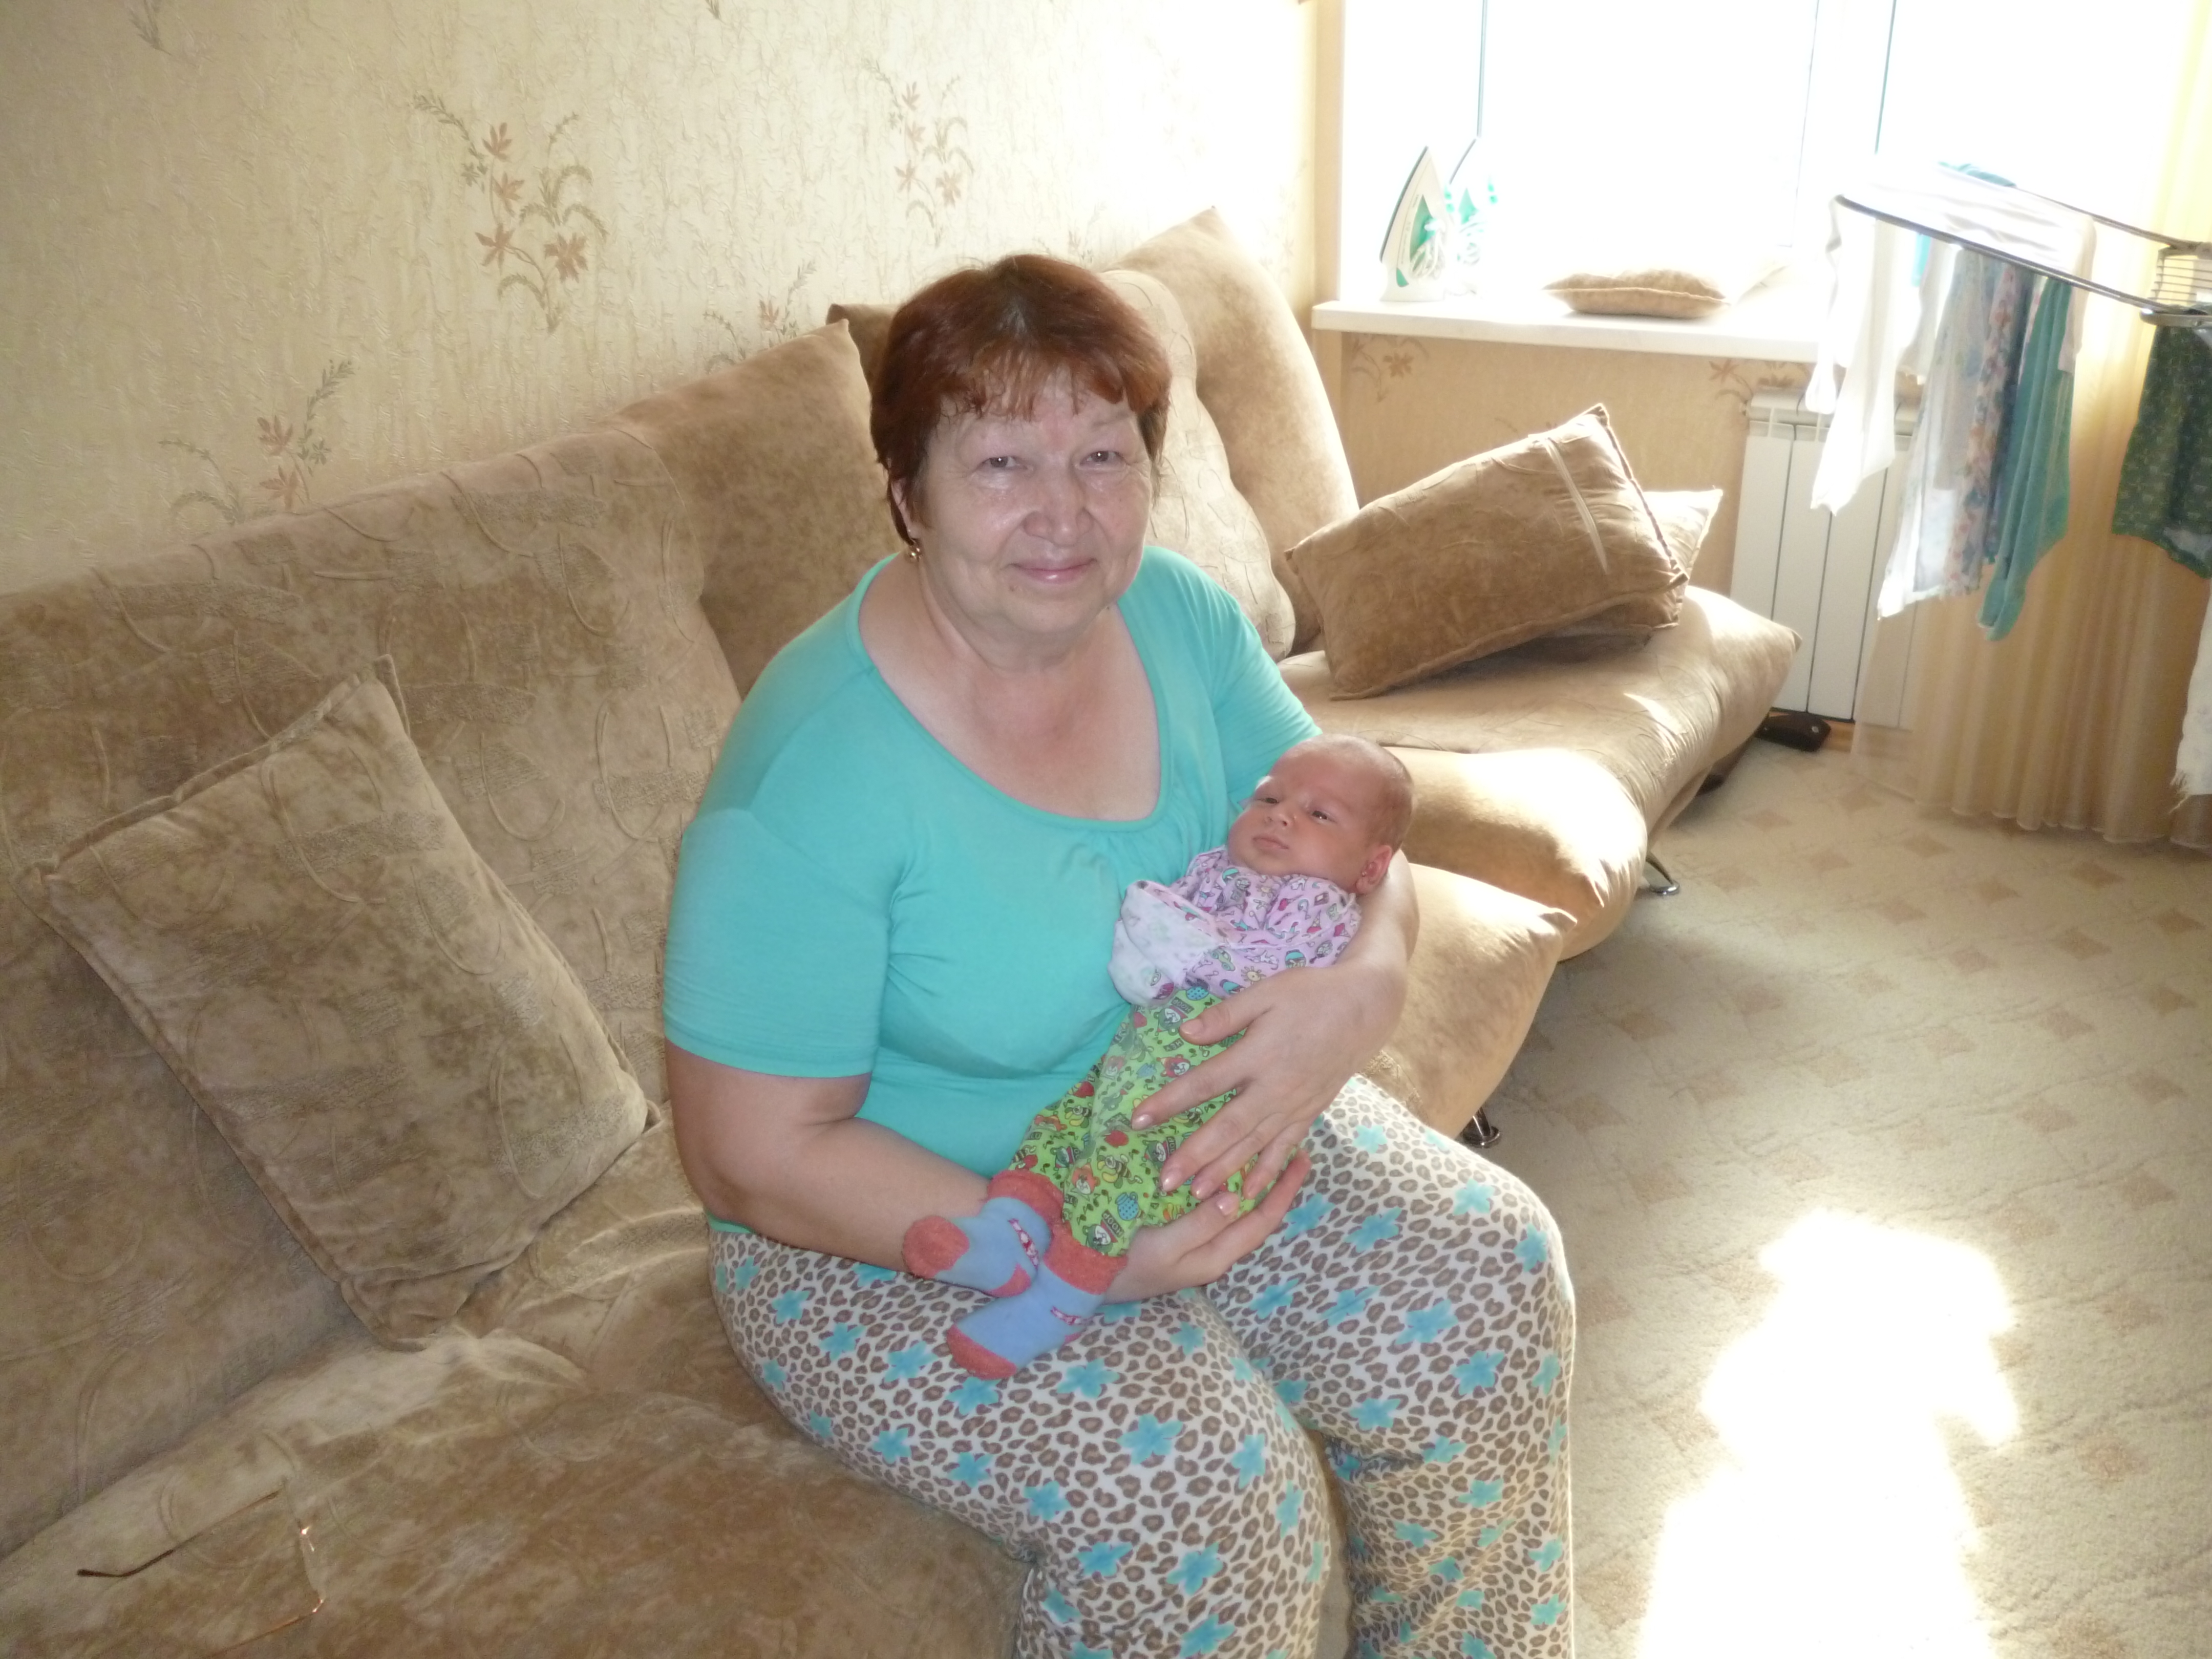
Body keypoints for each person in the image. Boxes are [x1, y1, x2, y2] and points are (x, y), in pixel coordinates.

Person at [663, 253, 1574, 1659]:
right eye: (1001, 462)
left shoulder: (1178, 619)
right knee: (1210, 1495)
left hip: (1173, 1111)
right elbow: (752, 1156)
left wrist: (1362, 991)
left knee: (1492, 1271)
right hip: (887, 1227)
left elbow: (1362, 843)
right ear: (907, 494)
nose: (1064, 510)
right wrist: (1092, 1257)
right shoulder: (815, 769)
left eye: (1104, 454)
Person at [909, 734, 1417, 1379]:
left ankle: (1060, 1298)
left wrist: (1175, 936)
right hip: (1138, 1063)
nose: (1282, 816)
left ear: (1369, 872)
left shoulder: (1320, 909)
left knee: (1120, 1163)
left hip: (1211, 1106)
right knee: (1059, 1129)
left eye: (1319, 814)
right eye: (1268, 799)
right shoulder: (1218, 871)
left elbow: (1250, 967)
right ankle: (1009, 1230)